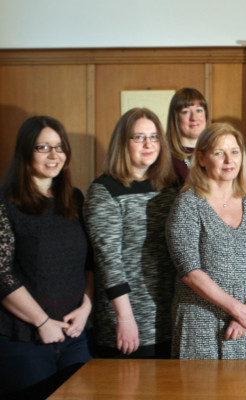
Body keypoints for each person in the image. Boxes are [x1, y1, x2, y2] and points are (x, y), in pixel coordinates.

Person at [0, 116, 93, 398]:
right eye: (43, 148)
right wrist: (42, 322)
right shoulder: (6, 203)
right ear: (25, 153)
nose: (54, 155)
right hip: (25, 339)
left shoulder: (73, 198)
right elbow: (1, 274)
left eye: (59, 147)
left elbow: (89, 262)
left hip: (74, 334)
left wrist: (86, 307)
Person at [166, 123, 246, 360]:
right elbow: (189, 271)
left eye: (235, 152)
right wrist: (238, 310)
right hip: (201, 324)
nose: (229, 160)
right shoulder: (188, 204)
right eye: (219, 153)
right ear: (202, 158)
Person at [84, 108, 177, 358]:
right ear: (122, 143)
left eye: (154, 137)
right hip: (129, 319)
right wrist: (125, 318)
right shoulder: (105, 191)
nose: (149, 144)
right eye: (139, 137)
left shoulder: (170, 187)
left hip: (168, 314)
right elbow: (108, 261)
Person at [166, 88, 208, 184]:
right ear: (175, 118)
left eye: (199, 110)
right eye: (186, 112)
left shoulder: (215, 151)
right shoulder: (166, 158)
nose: (194, 118)